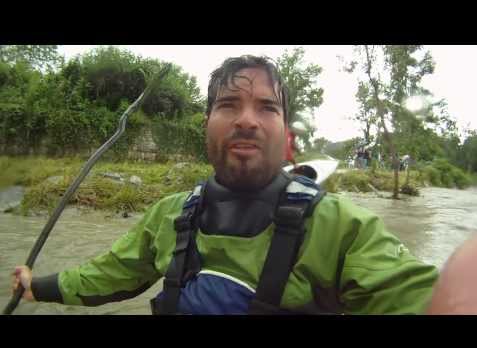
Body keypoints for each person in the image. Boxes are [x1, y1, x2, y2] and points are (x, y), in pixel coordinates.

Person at [11, 55, 438, 315]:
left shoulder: (342, 228)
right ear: (207, 124)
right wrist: (37, 285)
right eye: (228, 105)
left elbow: (420, 297)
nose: (247, 119)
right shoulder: (168, 215)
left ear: (286, 134)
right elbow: (105, 275)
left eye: (267, 108)